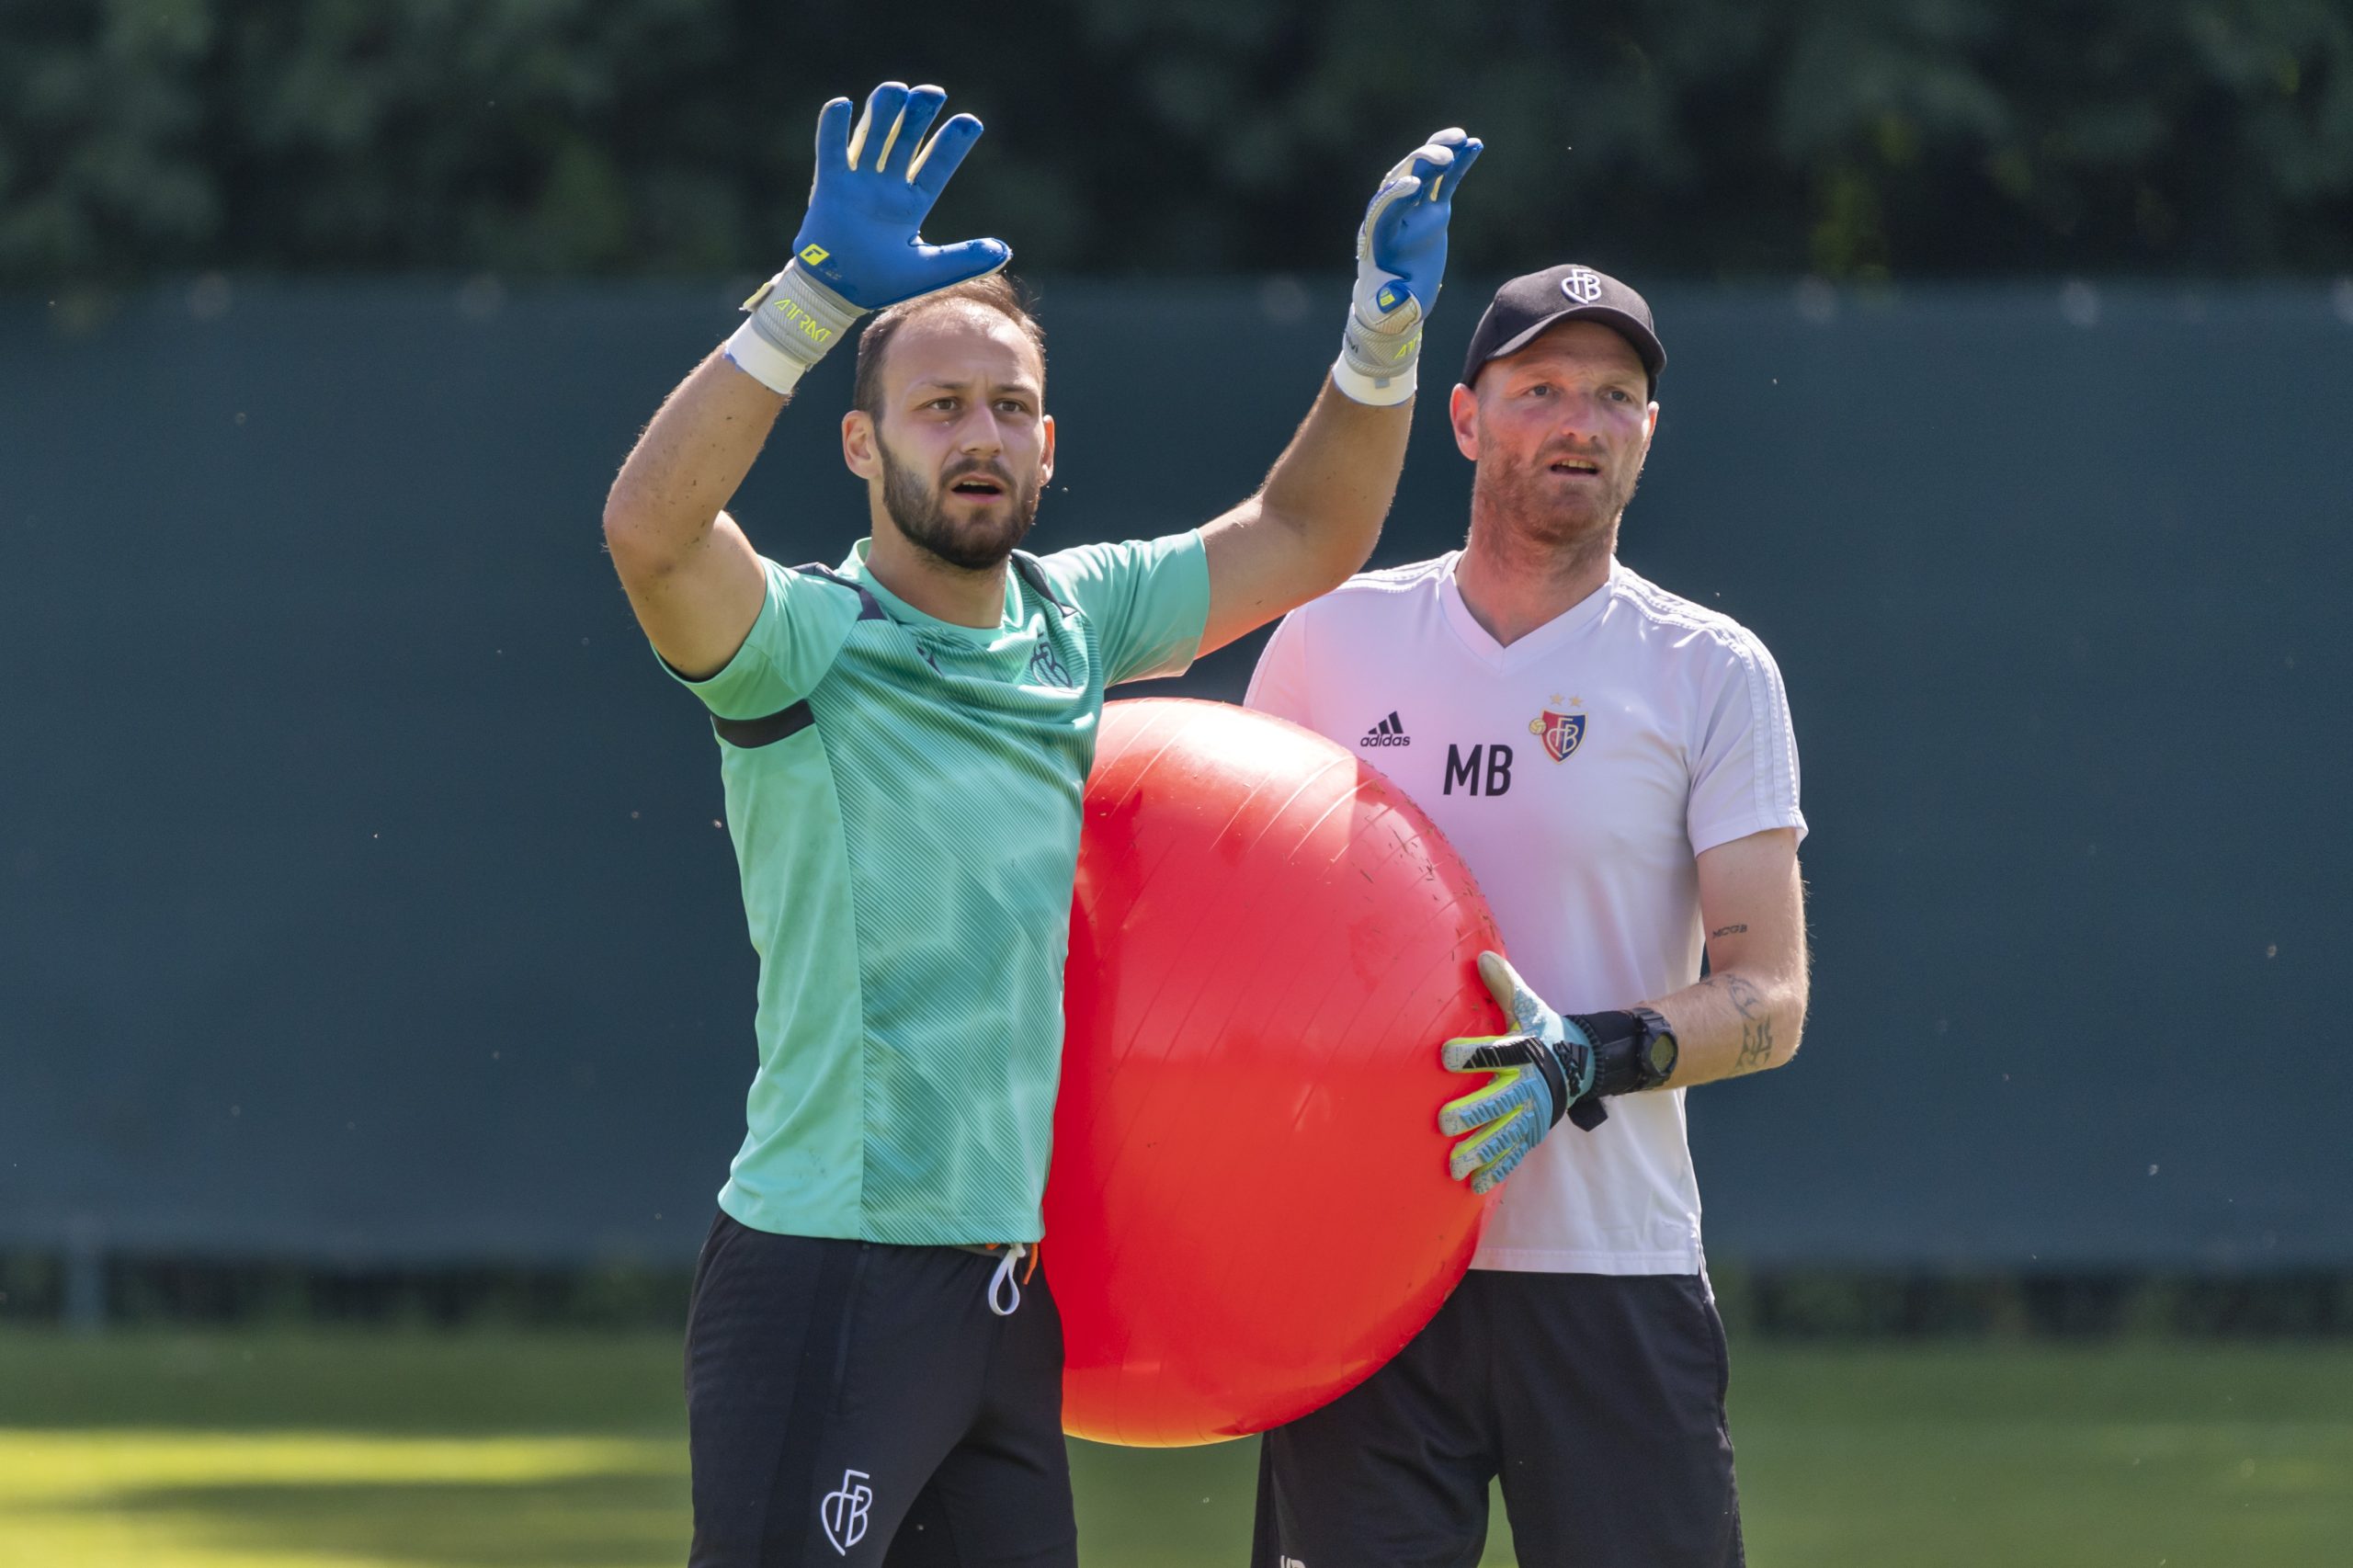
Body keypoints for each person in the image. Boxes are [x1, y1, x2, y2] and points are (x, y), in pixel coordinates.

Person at [599, 80, 1482, 1566]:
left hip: (1002, 1297)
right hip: (828, 1272)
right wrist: (807, 301)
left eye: (1008, 407)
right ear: (863, 449)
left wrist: (1381, 336)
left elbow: (1311, 535)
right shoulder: (802, 645)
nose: (980, 434)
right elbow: (649, 531)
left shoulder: (1072, 622)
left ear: (1052, 442)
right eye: (939, 408)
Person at [1245, 264, 1809, 1568]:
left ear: (1649, 434)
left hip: (1609, 1271)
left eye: (1616, 396)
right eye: (1542, 388)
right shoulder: (1331, 638)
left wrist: (1586, 1056)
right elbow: (1238, 940)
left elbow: (1771, 995)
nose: (1581, 421)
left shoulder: (1710, 670)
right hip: (1364, 1279)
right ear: (1464, 417)